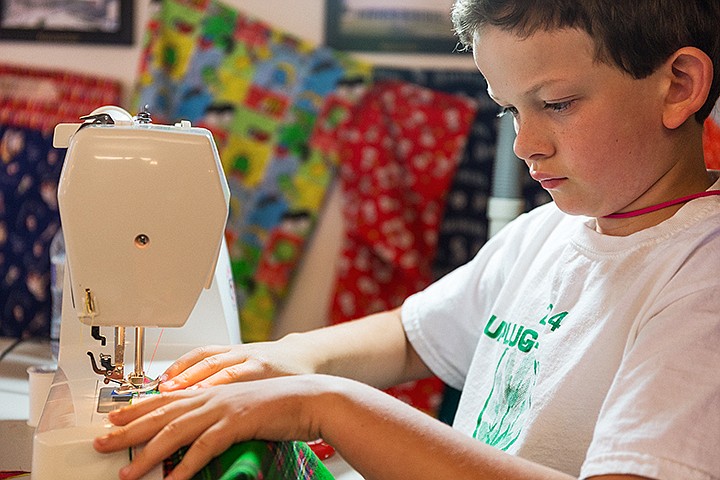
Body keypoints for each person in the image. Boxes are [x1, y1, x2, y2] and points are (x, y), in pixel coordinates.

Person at [94, 1, 720, 479]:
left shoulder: (701, 280)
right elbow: (410, 336)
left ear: (679, 85)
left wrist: (327, 403)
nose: (526, 144)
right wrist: (288, 358)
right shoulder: (548, 234)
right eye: (510, 111)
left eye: (556, 103)